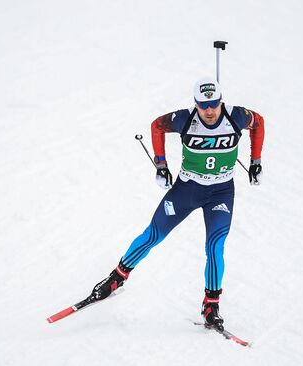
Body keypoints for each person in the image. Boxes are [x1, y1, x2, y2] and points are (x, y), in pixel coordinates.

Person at [90, 77, 265, 330]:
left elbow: (258, 122)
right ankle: (116, 278)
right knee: (154, 235)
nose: (209, 110)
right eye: (203, 105)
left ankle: (211, 305)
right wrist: (161, 165)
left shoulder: (236, 117)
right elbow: (157, 126)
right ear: (195, 104)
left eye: (214, 104)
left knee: (215, 245)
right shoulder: (185, 119)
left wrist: (256, 161)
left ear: (221, 101)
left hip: (221, 192)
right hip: (187, 189)